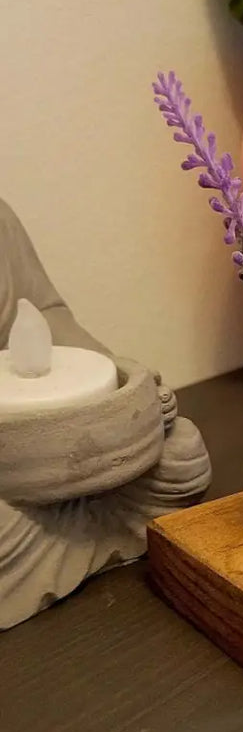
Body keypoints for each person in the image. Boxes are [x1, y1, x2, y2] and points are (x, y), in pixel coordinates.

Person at [0, 199, 211, 629]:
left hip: (65, 453)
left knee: (182, 452)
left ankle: (87, 526)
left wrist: (122, 389)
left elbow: (48, 314)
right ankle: (80, 532)